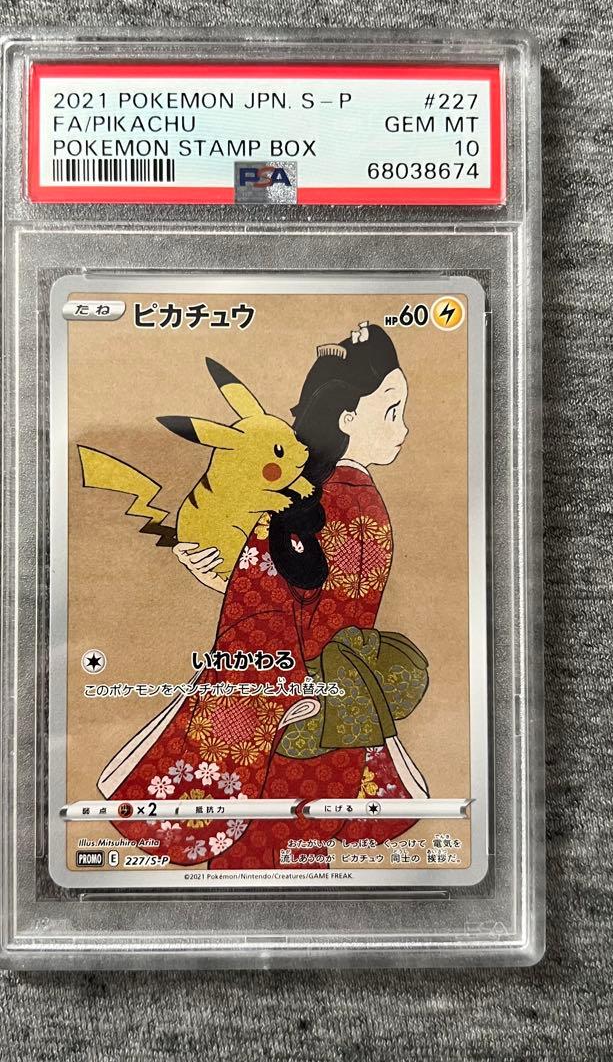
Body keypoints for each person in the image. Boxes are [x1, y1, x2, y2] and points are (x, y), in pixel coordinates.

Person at [97, 322, 429, 869]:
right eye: (392, 410)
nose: (404, 427)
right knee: (297, 862)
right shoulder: (359, 502)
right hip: (339, 715)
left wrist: (238, 583)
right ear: (347, 419)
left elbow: (267, 614)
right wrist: (230, 574)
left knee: (257, 863)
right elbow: (316, 597)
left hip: (286, 719)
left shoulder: (304, 507)